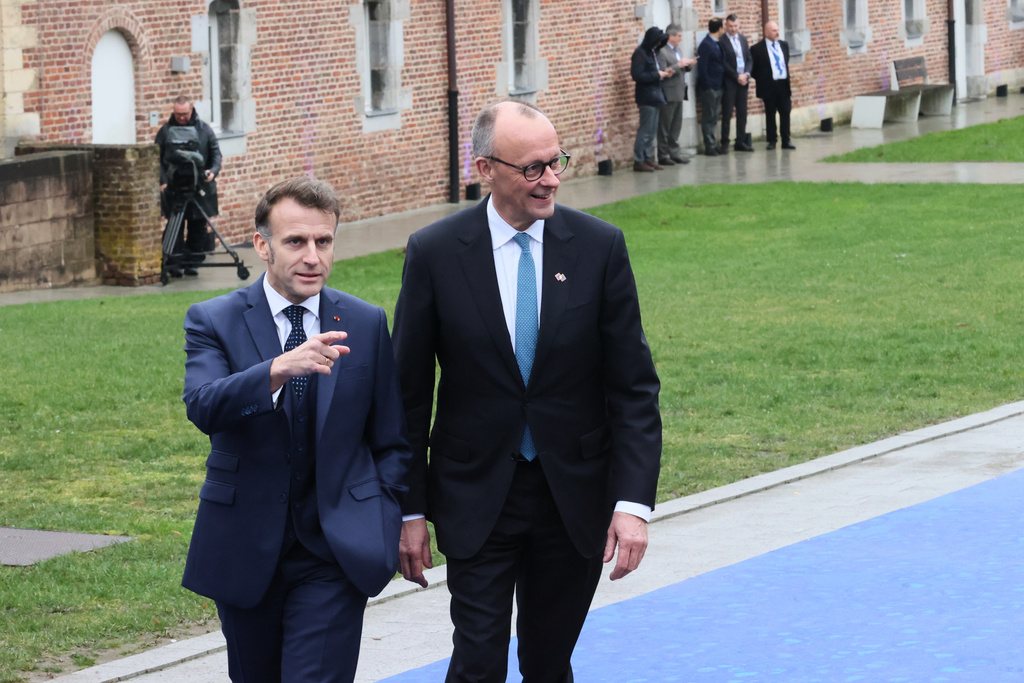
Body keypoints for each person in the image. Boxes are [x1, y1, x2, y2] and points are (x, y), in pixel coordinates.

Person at [392, 101, 662, 683]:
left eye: (556, 162)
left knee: (547, 662)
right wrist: (409, 509)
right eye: (534, 168)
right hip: (475, 497)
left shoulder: (599, 248)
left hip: (575, 499)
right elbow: (409, 395)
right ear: (486, 169)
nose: (552, 179)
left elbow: (634, 388)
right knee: (478, 663)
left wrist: (633, 505)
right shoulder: (435, 253)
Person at [180, 176, 412, 683]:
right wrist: (277, 370)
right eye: (296, 242)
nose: (313, 256)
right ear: (262, 245)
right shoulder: (214, 320)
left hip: (334, 551)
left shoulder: (365, 322)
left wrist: (383, 517)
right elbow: (203, 406)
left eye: (323, 241)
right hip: (245, 549)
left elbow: (391, 438)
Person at [155, 94, 222, 276]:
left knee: (197, 225)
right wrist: (163, 181)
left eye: (184, 114)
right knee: (174, 226)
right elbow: (157, 158)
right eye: (178, 114)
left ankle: (193, 263)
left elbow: (216, 154)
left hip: (199, 186)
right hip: (174, 188)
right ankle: (173, 263)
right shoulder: (166, 131)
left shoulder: (204, 130)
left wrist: (212, 172)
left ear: (191, 110)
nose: (181, 117)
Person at [630, 26, 672, 172]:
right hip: (646, 97)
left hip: (656, 95)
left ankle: (648, 157)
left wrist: (663, 74)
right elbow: (637, 76)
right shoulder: (640, 54)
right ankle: (639, 159)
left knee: (652, 130)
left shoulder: (652, 53)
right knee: (645, 129)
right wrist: (657, 75)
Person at [750, 20, 796, 150]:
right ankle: (772, 140)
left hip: (783, 84)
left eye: (777, 30)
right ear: (766, 32)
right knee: (770, 113)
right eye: (774, 30)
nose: (777, 33)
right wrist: (763, 79)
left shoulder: (784, 45)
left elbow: (785, 61)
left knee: (785, 112)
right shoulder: (757, 49)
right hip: (768, 85)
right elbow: (753, 68)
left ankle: (786, 140)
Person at [656, 24, 697, 166]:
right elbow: (662, 72)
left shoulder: (677, 49)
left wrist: (689, 65)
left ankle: (674, 152)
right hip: (668, 92)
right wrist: (678, 65)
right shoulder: (662, 51)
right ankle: (663, 154)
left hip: (679, 91)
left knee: (676, 125)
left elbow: (681, 69)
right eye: (679, 35)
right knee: (664, 126)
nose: (681, 38)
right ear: (671, 36)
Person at [720, 13, 754, 152]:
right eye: (730, 26)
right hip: (730, 81)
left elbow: (749, 59)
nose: (733, 29)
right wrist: (736, 76)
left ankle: (740, 141)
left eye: (735, 26)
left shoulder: (743, 39)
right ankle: (724, 142)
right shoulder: (722, 41)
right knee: (727, 113)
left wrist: (746, 74)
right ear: (725, 26)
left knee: (742, 112)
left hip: (743, 81)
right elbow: (723, 63)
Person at [696, 18, 727, 156]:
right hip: (710, 87)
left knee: (714, 116)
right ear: (719, 28)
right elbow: (702, 68)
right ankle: (709, 145)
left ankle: (713, 143)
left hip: (718, 84)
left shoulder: (717, 44)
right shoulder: (706, 45)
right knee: (708, 117)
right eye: (723, 27)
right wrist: (708, 86)